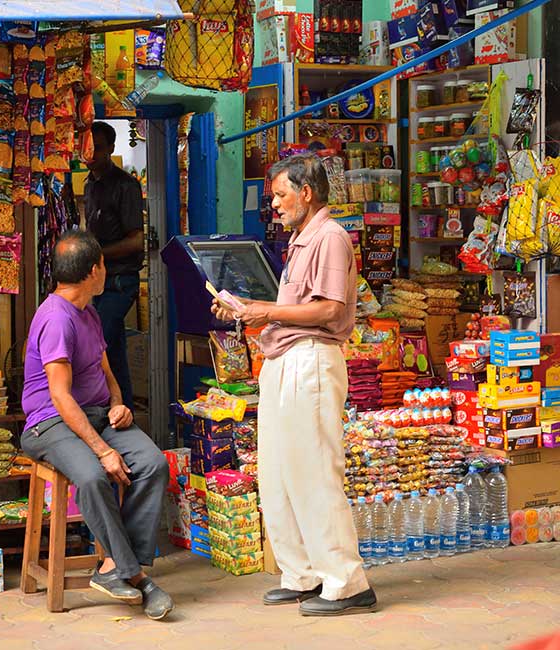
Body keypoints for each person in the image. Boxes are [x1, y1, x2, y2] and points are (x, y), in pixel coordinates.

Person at [211, 154, 377, 617]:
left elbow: (328, 310)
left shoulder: (330, 237)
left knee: (316, 472)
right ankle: (302, 574)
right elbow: (294, 307)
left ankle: (346, 582)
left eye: (281, 195)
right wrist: (248, 307)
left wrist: (264, 311)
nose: (275, 205)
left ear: (306, 193)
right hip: (285, 360)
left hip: (312, 361)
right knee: (279, 472)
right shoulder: (303, 239)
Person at [21, 230, 173, 620]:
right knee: (92, 476)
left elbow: (105, 373)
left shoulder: (88, 312)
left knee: (153, 463)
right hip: (50, 423)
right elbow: (60, 397)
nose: (107, 270)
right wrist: (103, 450)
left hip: (96, 415)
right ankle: (134, 575)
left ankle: (115, 568)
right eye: (104, 264)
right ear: (94, 271)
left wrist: (119, 404)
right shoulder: (56, 319)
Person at [84, 121, 145, 409]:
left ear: (110, 149)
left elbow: (136, 242)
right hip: (99, 280)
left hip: (120, 280)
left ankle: (103, 412)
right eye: (87, 146)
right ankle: (124, 410)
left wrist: (95, 254)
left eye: (97, 147)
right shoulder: (89, 184)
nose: (91, 152)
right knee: (114, 351)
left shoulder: (126, 185)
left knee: (99, 346)